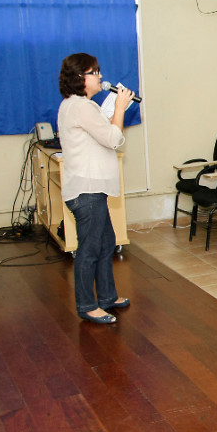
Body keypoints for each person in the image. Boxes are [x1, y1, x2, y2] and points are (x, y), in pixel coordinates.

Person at [57, 53, 134, 324]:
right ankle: (87, 306)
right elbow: (113, 138)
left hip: (92, 191)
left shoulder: (78, 105)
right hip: (87, 192)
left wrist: (111, 111)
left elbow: (101, 133)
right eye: (94, 72)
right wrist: (121, 107)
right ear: (80, 78)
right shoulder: (81, 107)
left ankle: (107, 297)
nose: (100, 76)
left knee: (105, 244)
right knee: (89, 250)